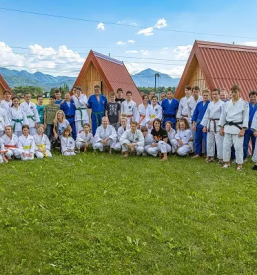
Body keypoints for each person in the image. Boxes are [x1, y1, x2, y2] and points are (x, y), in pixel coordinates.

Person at [219, 84, 249, 170]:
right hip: (227, 128)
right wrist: (221, 128)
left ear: (239, 92)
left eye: (235, 92)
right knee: (226, 146)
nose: (233, 94)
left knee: (238, 147)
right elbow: (223, 116)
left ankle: (239, 164)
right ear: (230, 93)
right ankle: (226, 162)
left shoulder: (244, 104)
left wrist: (243, 129)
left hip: (238, 128)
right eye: (232, 92)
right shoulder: (227, 104)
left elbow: (245, 117)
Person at [201, 89, 224, 163]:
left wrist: (221, 127)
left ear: (219, 94)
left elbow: (223, 116)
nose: (214, 96)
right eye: (213, 94)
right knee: (209, 141)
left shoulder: (222, 104)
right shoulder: (210, 104)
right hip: (210, 124)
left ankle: (221, 158)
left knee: (219, 142)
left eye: (216, 94)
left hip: (218, 124)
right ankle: (210, 156)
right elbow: (206, 115)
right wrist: (205, 126)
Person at [191, 89, 210, 158]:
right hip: (198, 124)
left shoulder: (210, 104)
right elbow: (195, 114)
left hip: (206, 125)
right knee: (197, 139)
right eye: (204, 95)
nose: (205, 97)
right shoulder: (199, 104)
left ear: (209, 96)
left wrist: (207, 125)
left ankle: (208, 154)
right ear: (202, 95)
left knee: (206, 140)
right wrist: (193, 124)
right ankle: (198, 153)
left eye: (206, 95)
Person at [243, 91, 257, 162]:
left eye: (254, 97)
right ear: (249, 97)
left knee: (255, 143)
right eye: (251, 97)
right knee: (245, 143)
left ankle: (254, 158)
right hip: (247, 125)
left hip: (255, 127)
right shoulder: (246, 105)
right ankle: (245, 156)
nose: (253, 98)